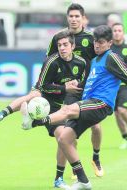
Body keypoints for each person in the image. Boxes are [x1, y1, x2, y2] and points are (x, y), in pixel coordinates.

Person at [21, 25, 127, 190]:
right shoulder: (93, 61)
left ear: (109, 43)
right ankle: (83, 181)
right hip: (89, 102)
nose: (96, 45)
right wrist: (71, 85)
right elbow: (86, 84)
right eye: (95, 41)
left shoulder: (112, 57)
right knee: (64, 139)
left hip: (101, 103)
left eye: (101, 42)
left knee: (67, 110)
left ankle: (34, 122)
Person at [0, 30, 85, 189]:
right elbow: (43, 86)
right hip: (45, 97)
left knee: (65, 138)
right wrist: (64, 88)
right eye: (59, 45)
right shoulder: (51, 62)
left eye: (65, 45)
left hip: (61, 105)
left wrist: (74, 94)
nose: (62, 48)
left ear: (73, 46)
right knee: (34, 94)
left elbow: (80, 86)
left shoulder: (81, 63)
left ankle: (58, 179)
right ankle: (2, 113)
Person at [47, 3, 104, 178]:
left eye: (76, 16)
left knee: (96, 127)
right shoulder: (59, 37)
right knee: (69, 130)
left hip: (90, 88)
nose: (73, 19)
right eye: (70, 16)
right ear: (67, 18)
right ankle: (74, 165)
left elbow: (99, 62)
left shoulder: (90, 37)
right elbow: (49, 62)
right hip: (71, 91)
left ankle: (95, 157)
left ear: (82, 18)